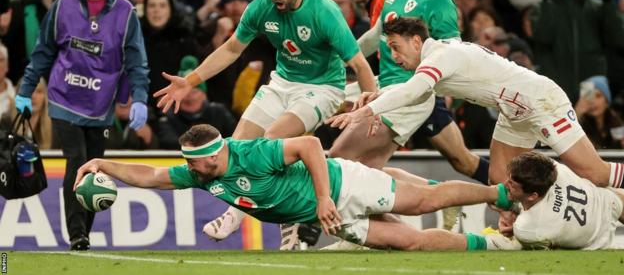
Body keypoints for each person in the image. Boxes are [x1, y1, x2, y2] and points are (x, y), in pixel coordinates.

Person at [154, 0, 376, 247]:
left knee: (271, 141)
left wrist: (372, 110)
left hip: (323, 87)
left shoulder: (325, 12)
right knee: (238, 145)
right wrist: (191, 80)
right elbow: (232, 49)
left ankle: (237, 214)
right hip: (282, 81)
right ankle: (277, 219)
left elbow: (361, 65)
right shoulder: (261, 8)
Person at [73, 123, 518, 251]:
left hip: (343, 189)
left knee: (424, 200)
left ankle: (501, 195)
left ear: (212, 155)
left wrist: (325, 195)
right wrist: (103, 164)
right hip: (326, 218)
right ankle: (492, 246)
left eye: (194, 162)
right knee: (411, 243)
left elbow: (308, 143)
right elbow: (150, 176)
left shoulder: (250, 154)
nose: (189, 170)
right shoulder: (200, 172)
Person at [327, 17, 624, 191]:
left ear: (416, 41)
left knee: (595, 174)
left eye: (395, 47)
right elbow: (412, 91)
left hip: (541, 100)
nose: (393, 56)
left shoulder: (441, 57)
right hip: (514, 109)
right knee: (501, 182)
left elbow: (413, 90)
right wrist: (374, 96)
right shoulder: (438, 58)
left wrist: (366, 110)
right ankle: (524, 234)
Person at [14, 0, 150, 251]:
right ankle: (77, 234)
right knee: (76, 160)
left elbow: (136, 61)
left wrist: (139, 97)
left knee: (94, 167)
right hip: (64, 98)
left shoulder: (126, 12)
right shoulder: (62, 6)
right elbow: (43, 51)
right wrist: (25, 90)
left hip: (100, 104)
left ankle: (83, 235)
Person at [329, 0, 489, 186]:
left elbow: (453, 55)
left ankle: (505, 193)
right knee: (459, 161)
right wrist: (341, 60)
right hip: (387, 84)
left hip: (410, 93)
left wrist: (442, 87)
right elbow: (376, 35)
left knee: (343, 160)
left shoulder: (438, 0)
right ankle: (450, 194)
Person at [500, 151, 624, 250]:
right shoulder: (550, 168)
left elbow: (541, 233)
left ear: (533, 196)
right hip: (608, 201)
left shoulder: (525, 228)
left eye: (512, 185)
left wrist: (515, 222)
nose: (505, 184)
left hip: (596, 242)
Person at [575, 76, 624, 149]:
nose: (592, 101)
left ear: (606, 101)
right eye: (589, 97)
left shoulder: (616, 122)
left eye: (598, 96)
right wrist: (576, 114)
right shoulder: (578, 125)